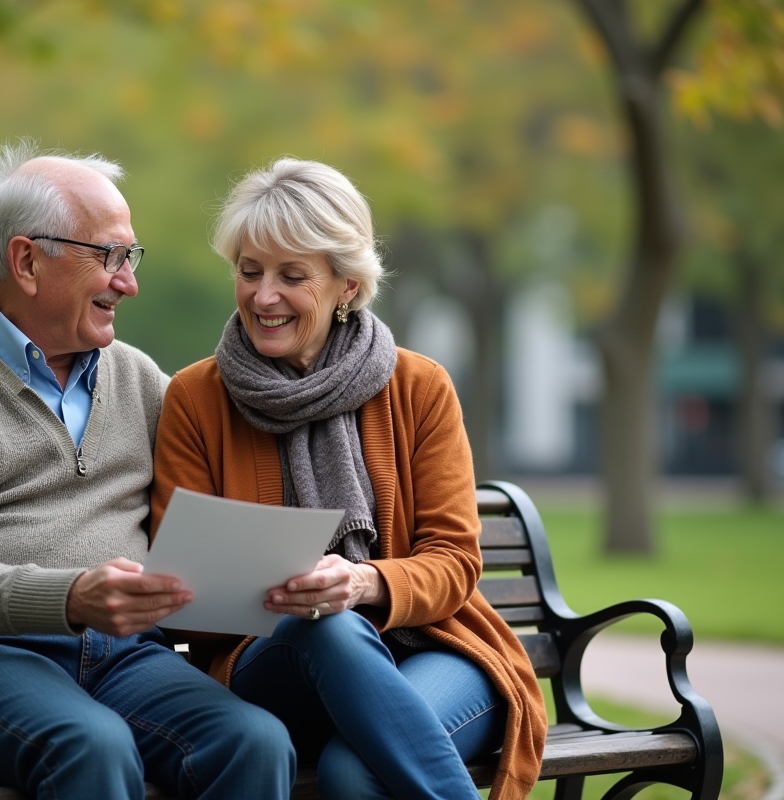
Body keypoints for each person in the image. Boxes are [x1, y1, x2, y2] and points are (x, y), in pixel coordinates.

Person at [0, 141, 295, 800]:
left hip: (124, 659)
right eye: (110, 257)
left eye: (131, 257)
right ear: (27, 261)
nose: (129, 282)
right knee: (91, 745)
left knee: (255, 742)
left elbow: (208, 499)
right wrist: (69, 598)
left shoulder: (140, 379)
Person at [150, 158, 547, 800]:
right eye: (249, 272)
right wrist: (294, 595)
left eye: (292, 276)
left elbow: (453, 562)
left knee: (352, 772)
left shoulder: (420, 387)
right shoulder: (195, 399)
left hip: (434, 648)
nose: (263, 295)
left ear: (348, 287)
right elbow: (182, 595)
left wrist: (362, 582)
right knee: (324, 625)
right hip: (271, 665)